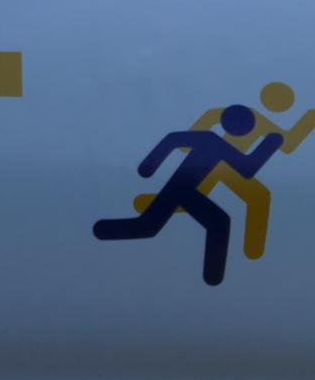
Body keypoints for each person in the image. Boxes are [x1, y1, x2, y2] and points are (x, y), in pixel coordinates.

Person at [92, 103, 285, 285]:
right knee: (149, 226)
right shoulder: (211, 140)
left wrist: (271, 143)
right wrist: (148, 166)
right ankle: (100, 230)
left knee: (214, 222)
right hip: (180, 188)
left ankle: (213, 276)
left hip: (186, 190)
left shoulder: (215, 142)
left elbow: (246, 169)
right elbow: (173, 140)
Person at [128, 81, 315, 262]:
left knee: (258, 197)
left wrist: (310, 119)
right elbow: (248, 165)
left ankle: (252, 250)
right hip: (216, 168)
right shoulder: (223, 124)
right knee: (160, 222)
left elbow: (288, 145)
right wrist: (271, 143)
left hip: (227, 168)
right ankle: (165, 206)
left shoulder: (256, 121)